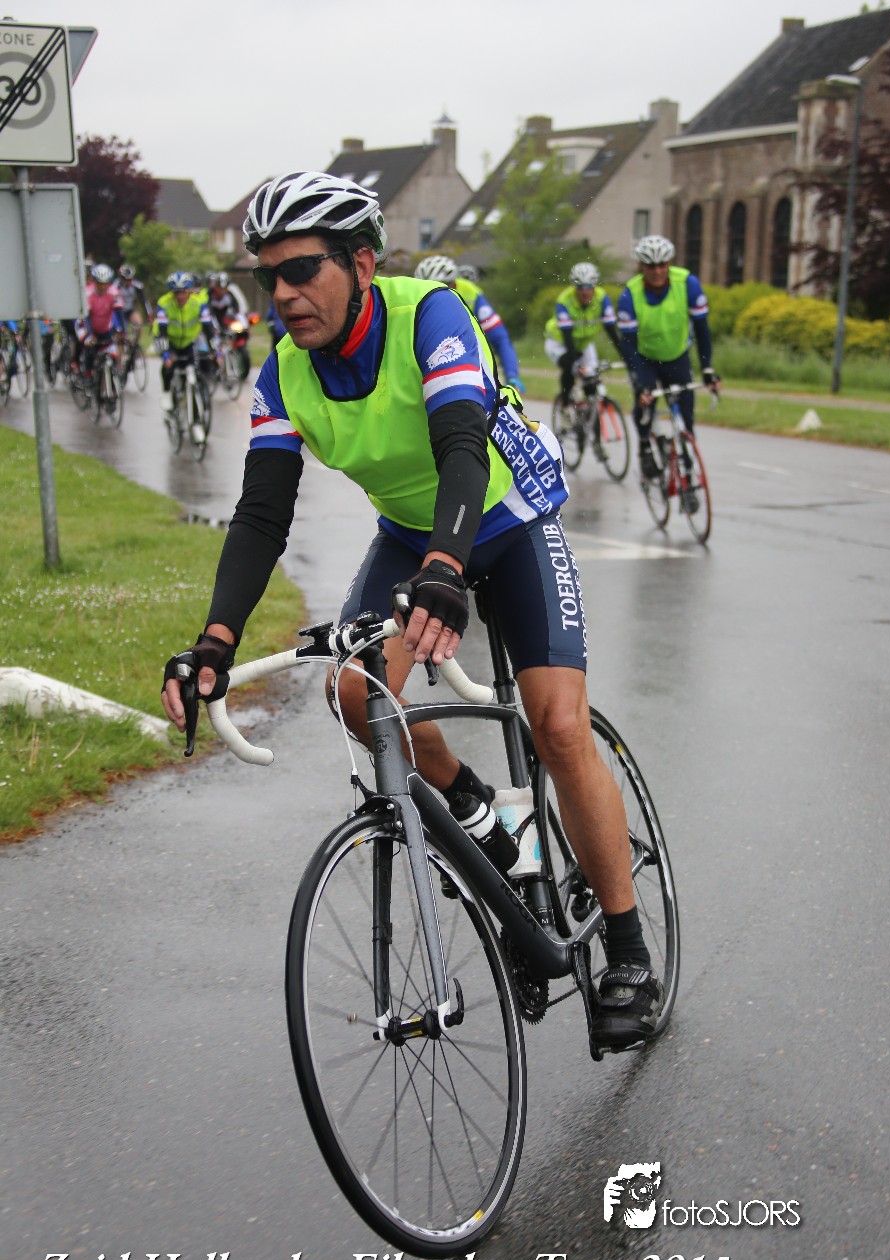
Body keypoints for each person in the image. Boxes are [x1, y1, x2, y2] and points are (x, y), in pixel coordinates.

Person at [160, 171, 663, 1049]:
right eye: (269, 276)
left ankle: (627, 948)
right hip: (412, 535)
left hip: (505, 516)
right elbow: (263, 512)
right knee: (355, 694)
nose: (284, 293)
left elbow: (461, 445)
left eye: (303, 269)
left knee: (556, 723)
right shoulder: (283, 372)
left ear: (362, 263)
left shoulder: (429, 314)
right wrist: (214, 640)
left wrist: (446, 567)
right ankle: (484, 816)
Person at [616, 235, 719, 487]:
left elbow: (703, 330)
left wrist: (707, 368)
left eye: (662, 265)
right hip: (645, 359)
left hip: (677, 356)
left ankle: (688, 474)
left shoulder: (688, 284)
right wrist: (639, 383)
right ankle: (645, 447)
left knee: (687, 418)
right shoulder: (630, 295)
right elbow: (628, 345)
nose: (657, 271)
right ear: (641, 266)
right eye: (651, 266)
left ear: (669, 263)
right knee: (645, 404)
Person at [413, 254, 525, 393]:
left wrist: (512, 375)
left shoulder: (471, 293)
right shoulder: (411, 298)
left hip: (470, 358)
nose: (435, 295)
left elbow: (500, 338)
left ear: (454, 284)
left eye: (442, 287)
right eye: (427, 289)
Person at [544, 261, 624, 406]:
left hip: (584, 343)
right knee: (569, 365)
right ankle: (565, 402)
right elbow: (567, 337)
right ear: (575, 287)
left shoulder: (602, 298)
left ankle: (590, 413)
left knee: (591, 381)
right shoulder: (564, 301)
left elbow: (612, 330)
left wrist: (625, 355)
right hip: (559, 342)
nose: (585, 292)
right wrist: (576, 363)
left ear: (594, 286)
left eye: (589, 287)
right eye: (580, 288)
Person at [153, 271, 219, 438]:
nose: (180, 296)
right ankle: (167, 393)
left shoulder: (198, 303)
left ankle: (196, 421)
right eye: (176, 293)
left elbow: (208, 328)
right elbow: (162, 331)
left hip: (189, 342)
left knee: (193, 377)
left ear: (189, 291)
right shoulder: (164, 303)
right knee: (168, 366)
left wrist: (215, 350)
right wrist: (166, 354)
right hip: (169, 340)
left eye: (183, 292)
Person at [73, 264, 125, 380]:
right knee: (90, 345)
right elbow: (86, 318)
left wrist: (122, 331)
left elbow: (119, 313)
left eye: (105, 283)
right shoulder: (87, 293)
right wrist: (90, 335)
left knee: (113, 350)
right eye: (99, 283)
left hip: (104, 326)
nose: (102, 287)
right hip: (86, 324)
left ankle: (114, 375)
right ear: (94, 282)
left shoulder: (114, 292)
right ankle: (87, 375)